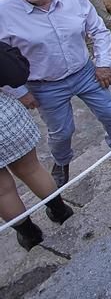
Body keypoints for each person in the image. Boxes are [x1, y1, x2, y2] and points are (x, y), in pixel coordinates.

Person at [0, 0, 111, 189]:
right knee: (62, 132)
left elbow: (99, 31)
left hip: (84, 73)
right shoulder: (4, 12)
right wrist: (20, 91)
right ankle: (61, 162)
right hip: (44, 85)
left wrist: (103, 63)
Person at [0, 41, 75, 251]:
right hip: (5, 119)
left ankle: (31, 235)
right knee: (32, 169)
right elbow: (15, 73)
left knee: (2, 191)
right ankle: (60, 211)